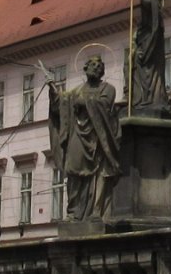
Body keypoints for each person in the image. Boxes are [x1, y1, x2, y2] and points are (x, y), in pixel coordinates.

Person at [44, 55, 122, 222]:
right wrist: (52, 89)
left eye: (99, 66)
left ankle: (95, 211)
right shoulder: (76, 91)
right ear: (85, 69)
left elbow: (105, 106)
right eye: (92, 65)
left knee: (98, 174)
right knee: (72, 170)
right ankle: (73, 211)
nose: (96, 68)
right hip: (78, 135)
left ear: (103, 71)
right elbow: (61, 104)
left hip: (98, 139)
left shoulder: (108, 89)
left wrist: (85, 102)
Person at [128, 0, 171, 113]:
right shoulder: (154, 17)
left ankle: (145, 100)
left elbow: (146, 1)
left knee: (147, 78)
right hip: (146, 49)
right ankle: (142, 98)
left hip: (147, 53)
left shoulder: (153, 13)